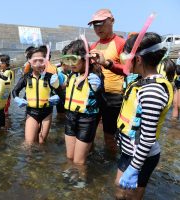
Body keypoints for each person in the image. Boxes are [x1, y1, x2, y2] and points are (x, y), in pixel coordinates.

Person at [115, 32, 173, 200]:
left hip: (140, 157)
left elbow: (147, 138)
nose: (124, 60)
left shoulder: (152, 91)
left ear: (138, 59)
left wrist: (134, 168)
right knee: (119, 193)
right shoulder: (141, 81)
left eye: (126, 56)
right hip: (130, 152)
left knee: (131, 197)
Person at [60, 40, 104, 186]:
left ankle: (80, 187)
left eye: (73, 59)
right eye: (67, 59)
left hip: (87, 120)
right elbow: (67, 97)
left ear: (85, 58)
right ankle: (69, 181)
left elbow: (101, 102)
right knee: (70, 157)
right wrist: (57, 89)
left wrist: (98, 89)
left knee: (79, 162)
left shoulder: (95, 76)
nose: (70, 64)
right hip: (70, 118)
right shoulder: (72, 76)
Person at [88, 8, 126, 155]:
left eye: (101, 23)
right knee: (89, 132)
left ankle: (111, 165)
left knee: (110, 136)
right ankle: (90, 163)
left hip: (114, 96)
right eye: (95, 25)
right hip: (95, 95)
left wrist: (108, 63)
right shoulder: (93, 46)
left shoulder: (121, 43)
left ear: (112, 21)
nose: (98, 28)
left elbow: (129, 70)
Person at [12, 45, 59, 145]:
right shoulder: (26, 78)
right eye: (35, 61)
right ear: (29, 61)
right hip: (32, 112)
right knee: (29, 143)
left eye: (41, 61)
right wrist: (17, 98)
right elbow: (15, 91)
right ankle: (30, 159)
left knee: (42, 142)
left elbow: (57, 91)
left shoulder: (51, 77)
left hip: (47, 113)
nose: (38, 64)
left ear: (46, 61)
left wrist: (58, 96)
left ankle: (42, 160)